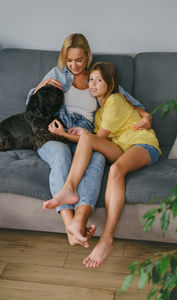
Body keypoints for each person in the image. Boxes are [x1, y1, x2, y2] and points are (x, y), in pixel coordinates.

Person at [27, 33, 152, 248]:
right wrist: (39, 88)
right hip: (56, 130)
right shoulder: (58, 74)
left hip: (86, 134)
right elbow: (32, 103)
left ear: (88, 56)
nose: (73, 66)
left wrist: (147, 116)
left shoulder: (97, 76)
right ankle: (70, 226)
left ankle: (80, 220)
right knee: (61, 156)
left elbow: (129, 102)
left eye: (79, 60)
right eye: (69, 60)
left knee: (97, 159)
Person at [45, 61, 161, 267]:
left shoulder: (115, 100)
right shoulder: (99, 113)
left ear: (110, 83)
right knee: (88, 139)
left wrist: (64, 134)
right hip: (120, 148)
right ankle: (69, 189)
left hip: (142, 145)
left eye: (99, 80)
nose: (93, 84)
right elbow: (95, 139)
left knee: (116, 169)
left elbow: (99, 137)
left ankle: (107, 239)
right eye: (91, 80)